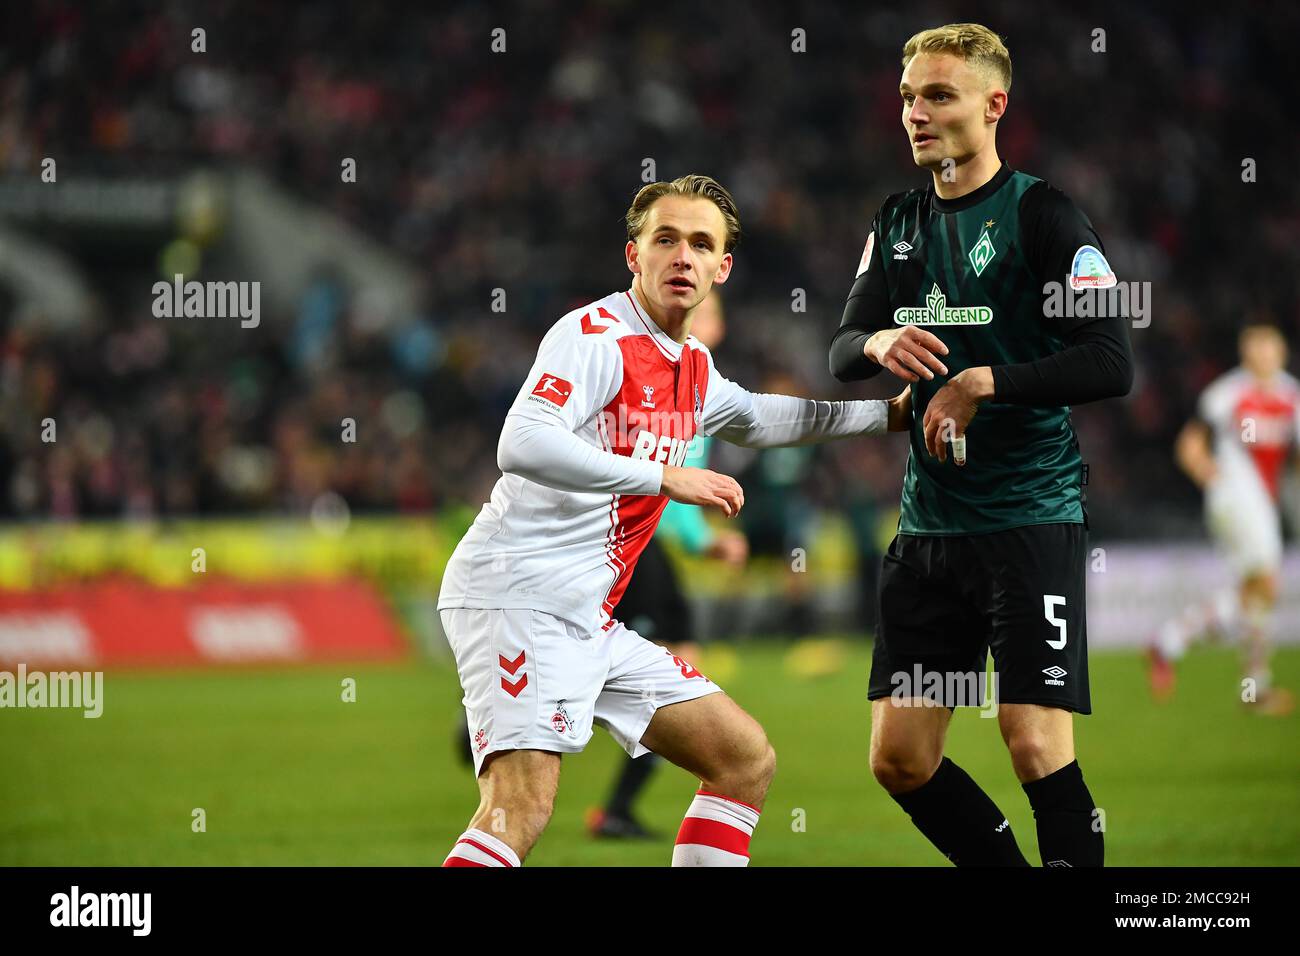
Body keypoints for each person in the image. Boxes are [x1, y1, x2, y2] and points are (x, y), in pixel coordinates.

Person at [438, 174, 911, 867]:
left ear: (723, 267)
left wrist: (884, 415)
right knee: (519, 807)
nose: (681, 256)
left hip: (586, 616)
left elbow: (754, 417)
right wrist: (662, 476)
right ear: (634, 255)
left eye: (700, 243)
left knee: (742, 759)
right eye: (665, 239)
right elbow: (522, 442)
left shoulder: (691, 363)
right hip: (518, 596)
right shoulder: (594, 336)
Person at [830, 23, 1133, 867]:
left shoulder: (1046, 216)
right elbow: (842, 345)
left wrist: (982, 381)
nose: (915, 113)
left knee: (1032, 740)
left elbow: (1111, 360)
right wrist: (879, 344)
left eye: (938, 95)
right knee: (900, 758)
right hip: (930, 532)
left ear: (994, 105)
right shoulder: (896, 223)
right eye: (907, 97)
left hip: (1028, 520)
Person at [586, 290, 749, 840]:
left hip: (641, 543)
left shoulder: (696, 381)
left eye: (711, 311)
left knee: (675, 665)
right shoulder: (670, 380)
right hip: (636, 546)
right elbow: (664, 483)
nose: (706, 319)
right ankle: (509, 715)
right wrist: (705, 543)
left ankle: (617, 807)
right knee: (659, 674)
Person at [1150, 323, 1298, 715]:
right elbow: (1188, 447)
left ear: (1281, 352)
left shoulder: (1291, 396)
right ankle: (1249, 681)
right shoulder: (1228, 394)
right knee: (1264, 585)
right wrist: (1215, 480)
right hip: (1236, 496)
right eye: (1256, 346)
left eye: (1270, 346)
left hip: (1263, 504)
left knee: (1257, 594)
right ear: (1245, 351)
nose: (1263, 354)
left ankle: (1179, 645)